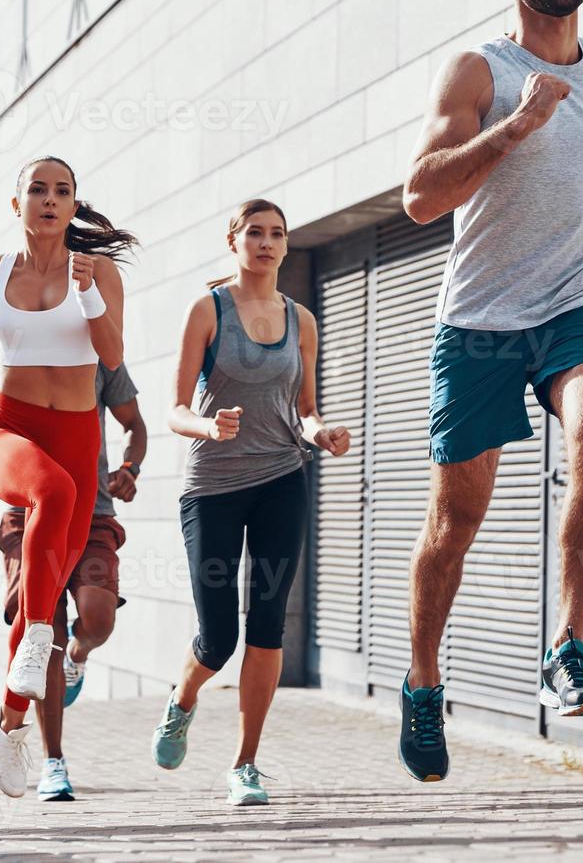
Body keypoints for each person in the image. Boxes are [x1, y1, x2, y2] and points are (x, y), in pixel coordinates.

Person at [398, 0, 583, 783]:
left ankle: (568, 648)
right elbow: (419, 197)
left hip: (572, 300)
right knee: (455, 521)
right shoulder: (476, 71)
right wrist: (514, 127)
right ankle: (424, 682)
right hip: (475, 319)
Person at [151, 199, 349, 807]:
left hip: (282, 479)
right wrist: (208, 428)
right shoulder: (207, 310)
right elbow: (175, 409)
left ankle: (245, 764)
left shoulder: (302, 319)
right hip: (212, 487)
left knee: (267, 624)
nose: (267, 242)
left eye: (277, 234)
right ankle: (182, 702)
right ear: (233, 241)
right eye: (255, 233)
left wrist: (322, 433)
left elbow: (305, 406)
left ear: (286, 246)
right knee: (217, 639)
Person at [0, 156, 133, 798]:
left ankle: (9, 727)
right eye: (37, 189)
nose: (50, 200)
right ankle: (38, 638)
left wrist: (86, 291)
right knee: (50, 498)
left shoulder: (99, 270)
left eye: (62, 191)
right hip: (9, 429)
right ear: (15, 202)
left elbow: (111, 356)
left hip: (79, 437)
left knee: (53, 576)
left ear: (75, 204)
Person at [0, 356, 147, 800]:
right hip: (26, 517)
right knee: (44, 633)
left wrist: (129, 468)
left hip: (94, 510)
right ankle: (53, 762)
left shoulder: (99, 362)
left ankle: (77, 656)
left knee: (98, 618)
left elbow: (135, 424)